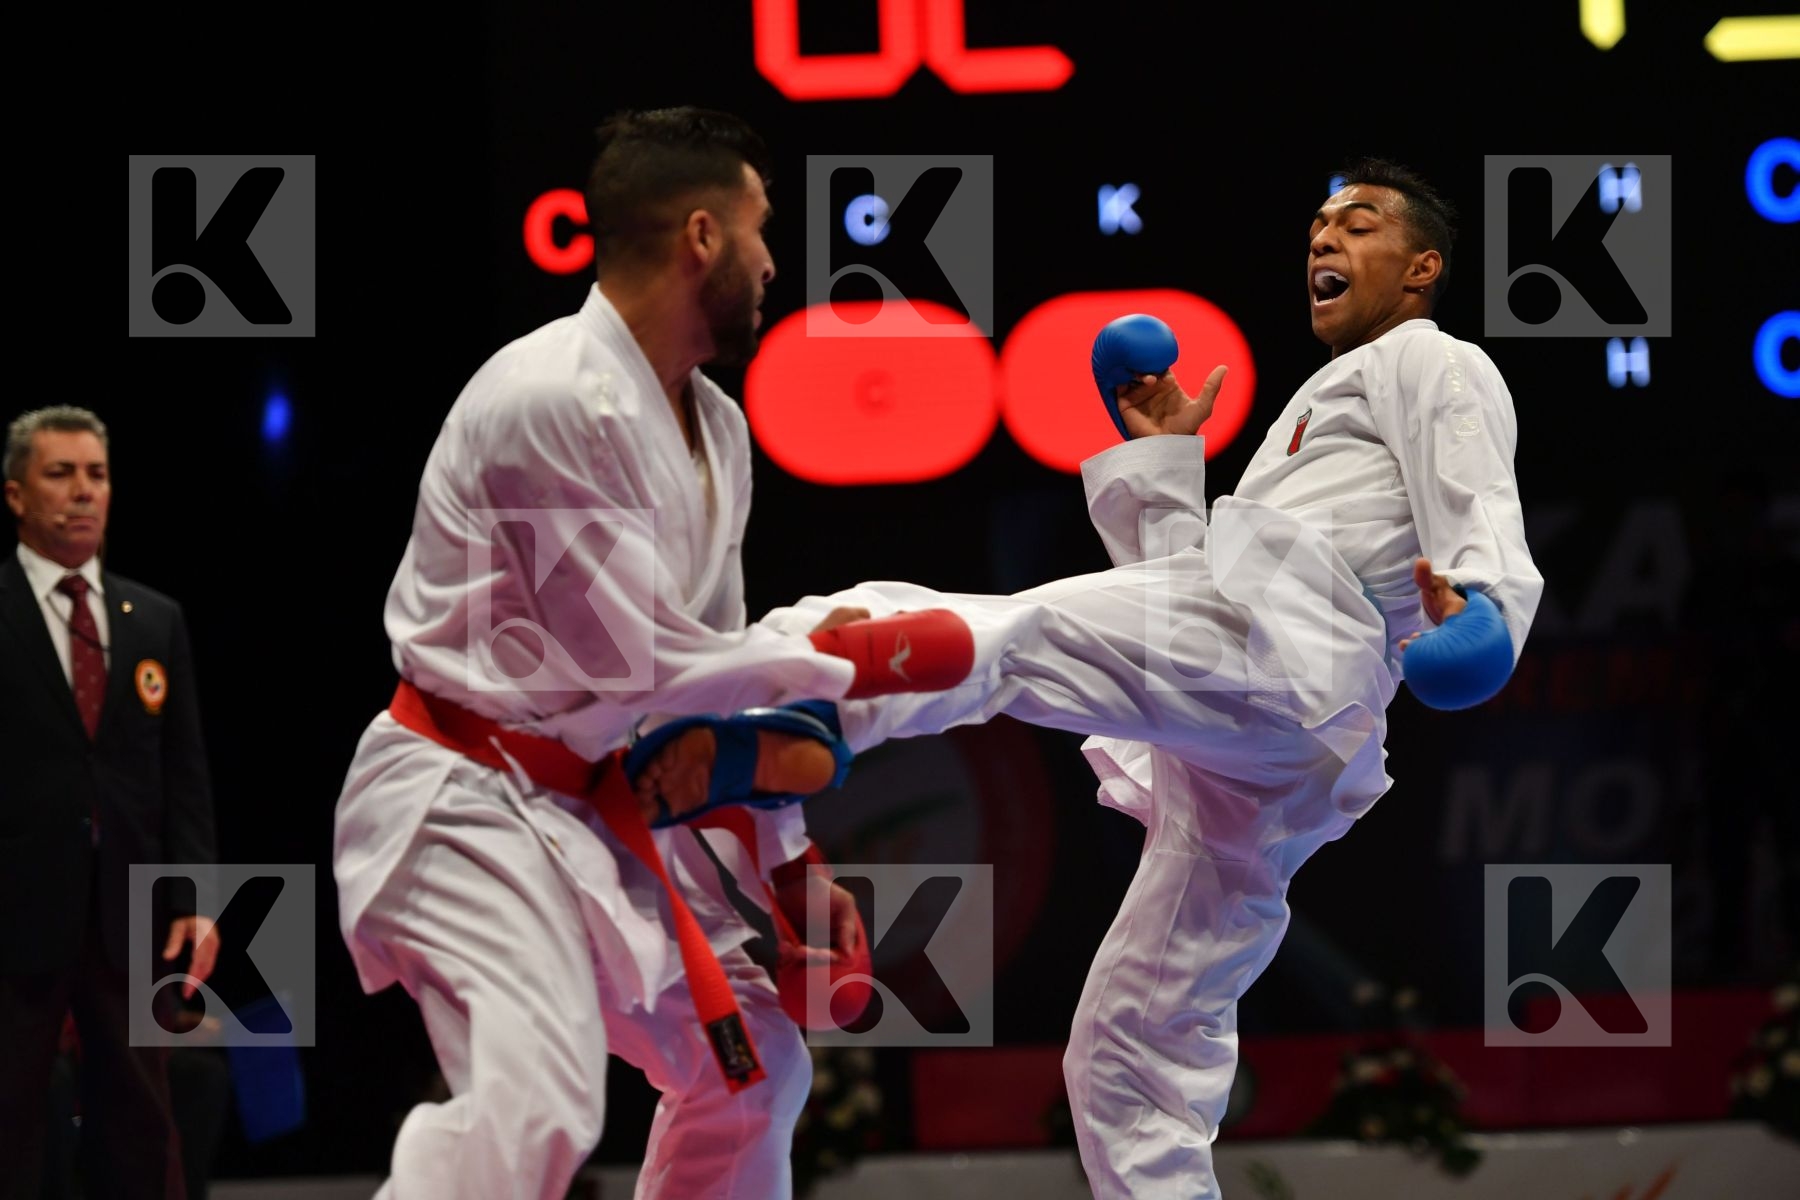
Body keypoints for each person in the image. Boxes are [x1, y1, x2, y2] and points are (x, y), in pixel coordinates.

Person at [696, 159, 1542, 1198]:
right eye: (1317, 224)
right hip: (1276, 735)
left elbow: (1477, 498)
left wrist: (1490, 608)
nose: (1323, 239)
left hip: (1285, 659)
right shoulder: (1320, 405)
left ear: (1422, 267)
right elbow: (1183, 602)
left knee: (1014, 635)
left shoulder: (1432, 361)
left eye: (1357, 225)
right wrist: (1162, 468)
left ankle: (763, 695)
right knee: (1131, 1052)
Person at [330, 106, 970, 1200]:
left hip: (589, 803)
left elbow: (703, 691)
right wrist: (850, 669)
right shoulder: (547, 400)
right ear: (702, 236)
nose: (778, 259)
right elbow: (641, 669)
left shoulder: (717, 428)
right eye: (763, 227)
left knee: (752, 1072)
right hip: (464, 796)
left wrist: (788, 863)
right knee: (538, 1106)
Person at [0, 405, 220, 1200]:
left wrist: (196, 897)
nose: (83, 491)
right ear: (17, 494)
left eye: (96, 474)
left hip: (132, 909)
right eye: (60, 474)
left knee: (139, 1110)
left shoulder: (153, 618)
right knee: (12, 1111)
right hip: (17, 910)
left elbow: (183, 774)